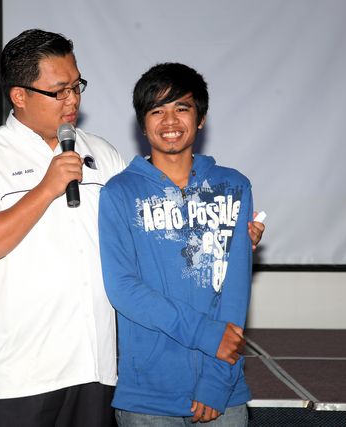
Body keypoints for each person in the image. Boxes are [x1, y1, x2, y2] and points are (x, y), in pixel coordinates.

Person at [0, 29, 264, 426]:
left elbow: (153, 228)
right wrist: (46, 188)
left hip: (96, 367)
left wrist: (226, 236)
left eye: (76, 86)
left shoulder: (102, 154)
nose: (73, 100)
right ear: (19, 96)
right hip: (22, 371)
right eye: (59, 91)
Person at [98, 63, 257, 426]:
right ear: (142, 124)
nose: (170, 121)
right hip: (148, 396)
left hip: (222, 392)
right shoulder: (119, 193)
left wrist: (217, 381)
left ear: (201, 118)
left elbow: (234, 290)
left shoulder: (233, 187)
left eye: (181, 108)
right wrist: (205, 334)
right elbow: (123, 288)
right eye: (157, 111)